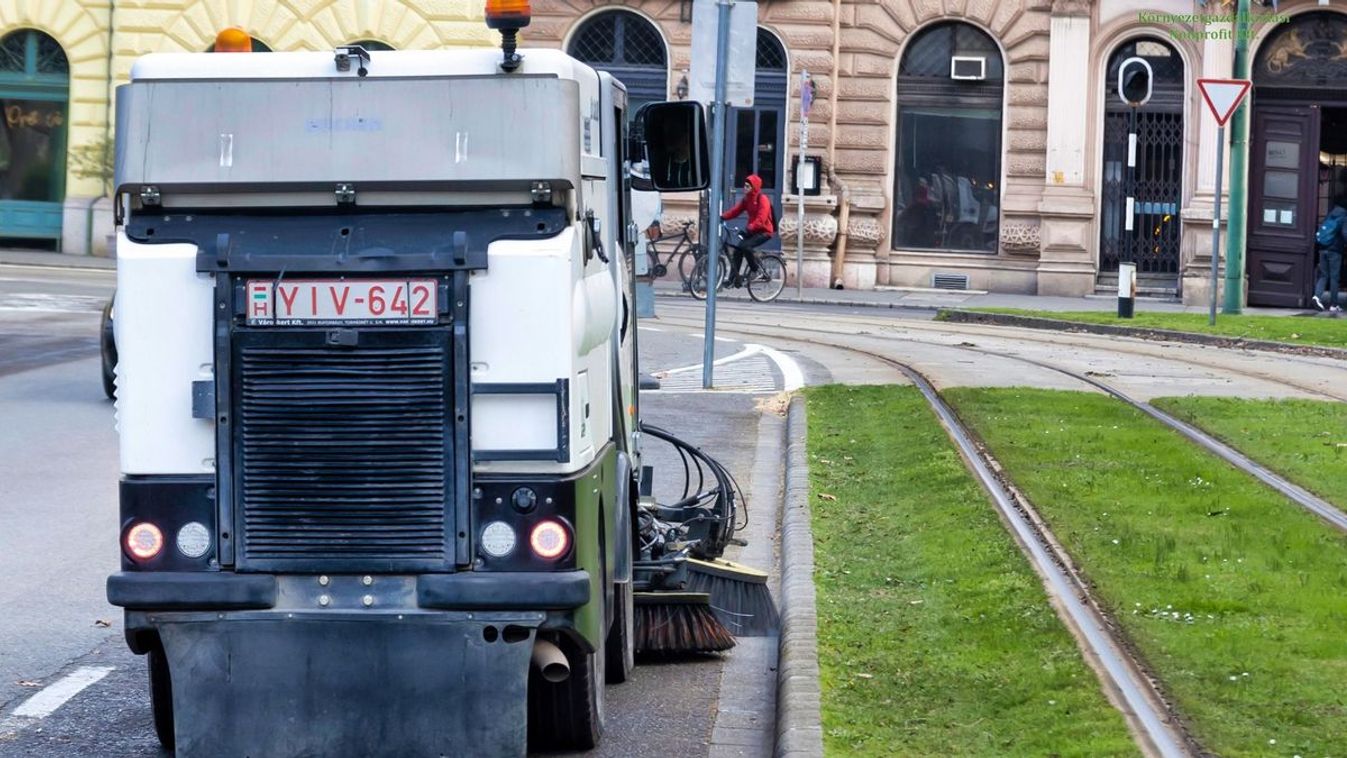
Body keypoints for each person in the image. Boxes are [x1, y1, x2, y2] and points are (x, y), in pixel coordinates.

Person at [720, 174, 775, 288]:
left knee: (745, 246)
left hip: (764, 231)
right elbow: (735, 211)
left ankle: (755, 270)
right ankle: (733, 279)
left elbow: (762, 218)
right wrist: (722, 217)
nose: (745, 188)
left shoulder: (763, 199)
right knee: (737, 251)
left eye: (747, 186)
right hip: (753, 230)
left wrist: (750, 228)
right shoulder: (747, 199)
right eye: (744, 186)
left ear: (754, 187)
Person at [1313, 195, 1347, 312]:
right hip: (1335, 251)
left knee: (1323, 275)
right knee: (1334, 278)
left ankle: (1316, 296)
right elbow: (1345, 234)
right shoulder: (1343, 217)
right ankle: (1334, 304)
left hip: (1323, 249)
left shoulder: (1330, 215)